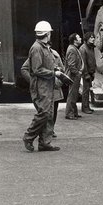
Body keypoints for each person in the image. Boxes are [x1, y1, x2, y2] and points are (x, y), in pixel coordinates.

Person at [22, 21, 63, 152]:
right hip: (41, 87)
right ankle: (29, 136)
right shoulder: (37, 48)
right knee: (44, 113)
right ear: (47, 34)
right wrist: (53, 72)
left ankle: (45, 142)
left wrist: (54, 68)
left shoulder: (43, 47)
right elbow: (37, 70)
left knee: (49, 114)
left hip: (46, 86)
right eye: (50, 33)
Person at [65, 33, 84, 120]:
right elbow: (71, 65)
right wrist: (77, 73)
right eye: (78, 37)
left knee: (74, 94)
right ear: (75, 41)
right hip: (73, 76)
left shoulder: (74, 49)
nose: (80, 38)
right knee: (72, 94)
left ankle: (74, 112)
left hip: (75, 75)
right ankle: (69, 113)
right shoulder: (72, 50)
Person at [79, 32, 96, 114]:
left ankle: (86, 106)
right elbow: (83, 63)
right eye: (91, 37)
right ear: (87, 38)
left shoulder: (90, 48)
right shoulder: (83, 49)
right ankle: (85, 108)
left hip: (90, 72)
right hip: (87, 73)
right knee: (85, 91)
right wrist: (86, 74)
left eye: (93, 37)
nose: (93, 39)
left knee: (87, 90)